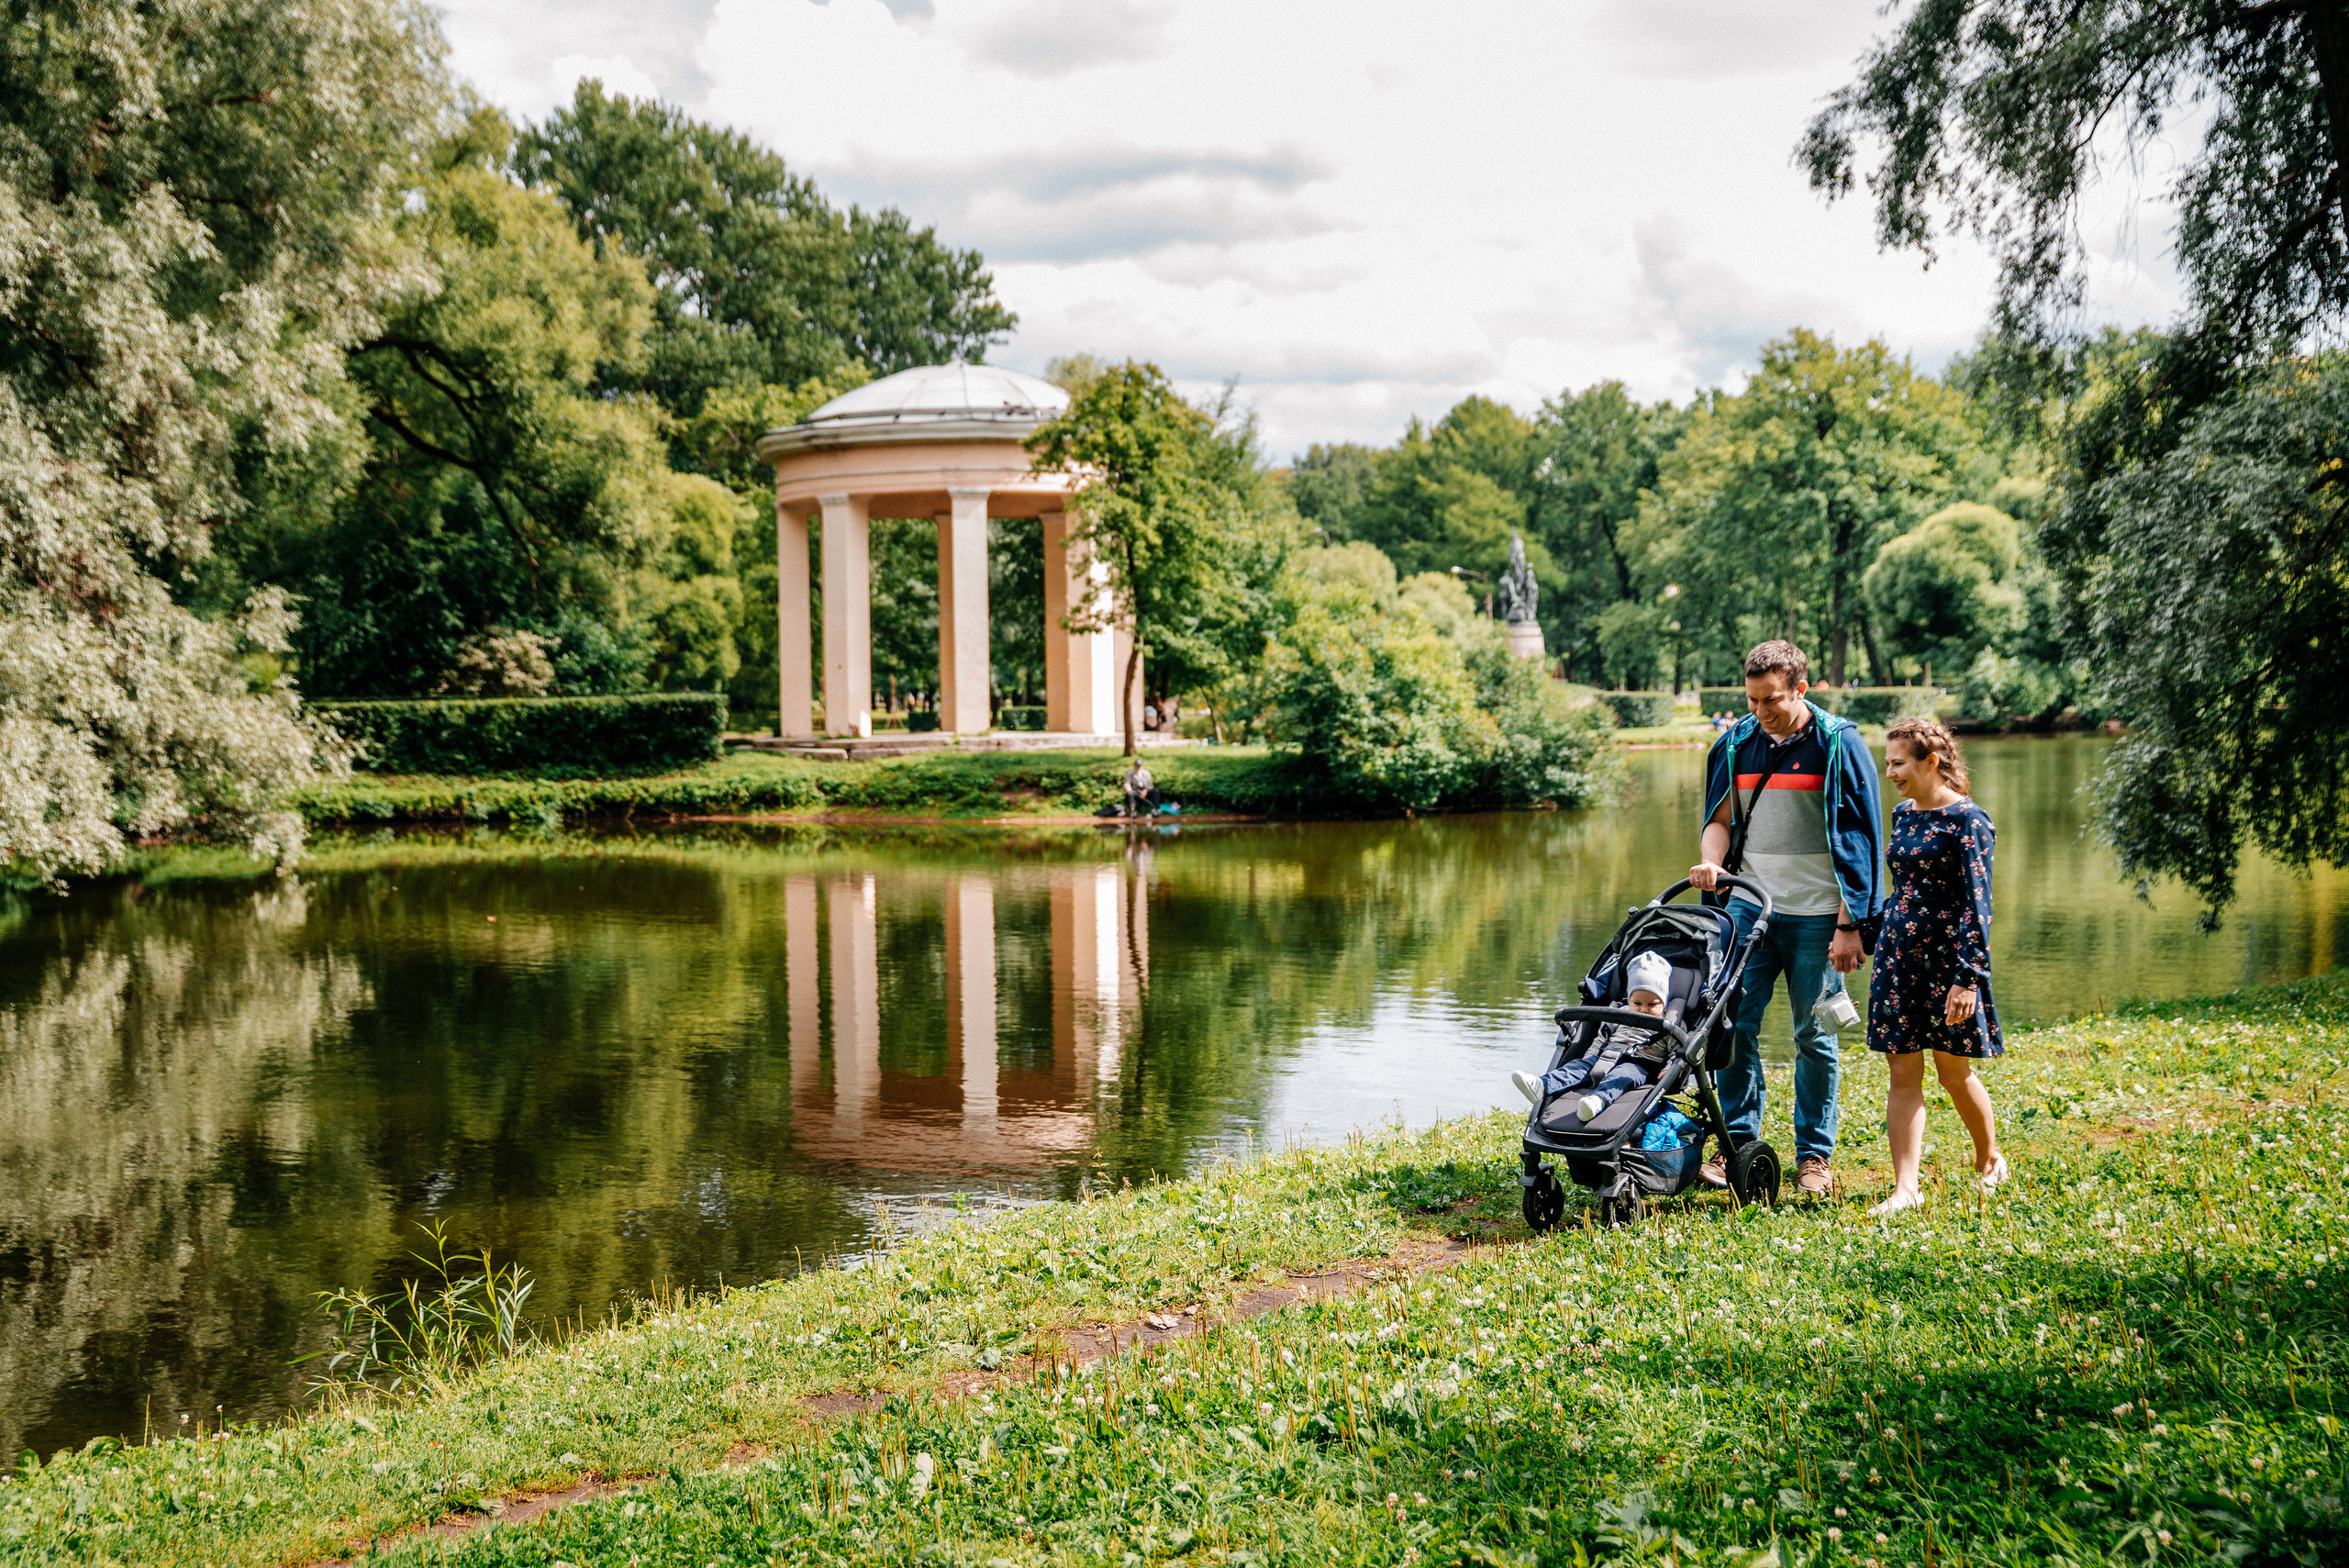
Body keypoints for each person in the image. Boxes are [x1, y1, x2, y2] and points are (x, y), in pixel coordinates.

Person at [1688, 640, 1885, 1198]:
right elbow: (1719, 820)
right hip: (1749, 909)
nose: (1760, 712)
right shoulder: (1735, 744)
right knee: (1732, 1028)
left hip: (1820, 914)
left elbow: (1864, 840)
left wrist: (1851, 924)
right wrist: (1710, 861)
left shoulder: (1838, 744)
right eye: (1751, 700)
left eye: (1771, 700)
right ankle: (1736, 1149)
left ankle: (1814, 1158)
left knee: (1815, 1033)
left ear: (1801, 688)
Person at [1868, 717, 2006, 1216]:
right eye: (1888, 763)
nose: (1890, 773)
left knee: (1953, 1073)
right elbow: (1901, 890)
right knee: (1902, 1072)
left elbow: (1978, 903)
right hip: (1899, 956)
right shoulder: (1903, 815)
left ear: (1931, 761)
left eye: (1898, 763)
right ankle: (1906, 1189)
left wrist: (1968, 977)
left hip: (1950, 961)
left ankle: (1989, 1159)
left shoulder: (1969, 820)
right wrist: (1868, 934)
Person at [1510, 951, 1674, 1122]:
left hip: (1640, 1064)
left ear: (1664, 1001)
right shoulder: (1621, 1014)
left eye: (1652, 1004)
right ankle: (1542, 1085)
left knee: (1620, 1077)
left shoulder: (1668, 1022)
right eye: (1637, 1003)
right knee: (1577, 1067)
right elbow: (1602, 1038)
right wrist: (1590, 1056)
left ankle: (1597, 1101)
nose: (1643, 1009)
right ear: (1629, 999)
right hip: (1606, 1056)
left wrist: (1669, 1067)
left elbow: (1677, 1049)